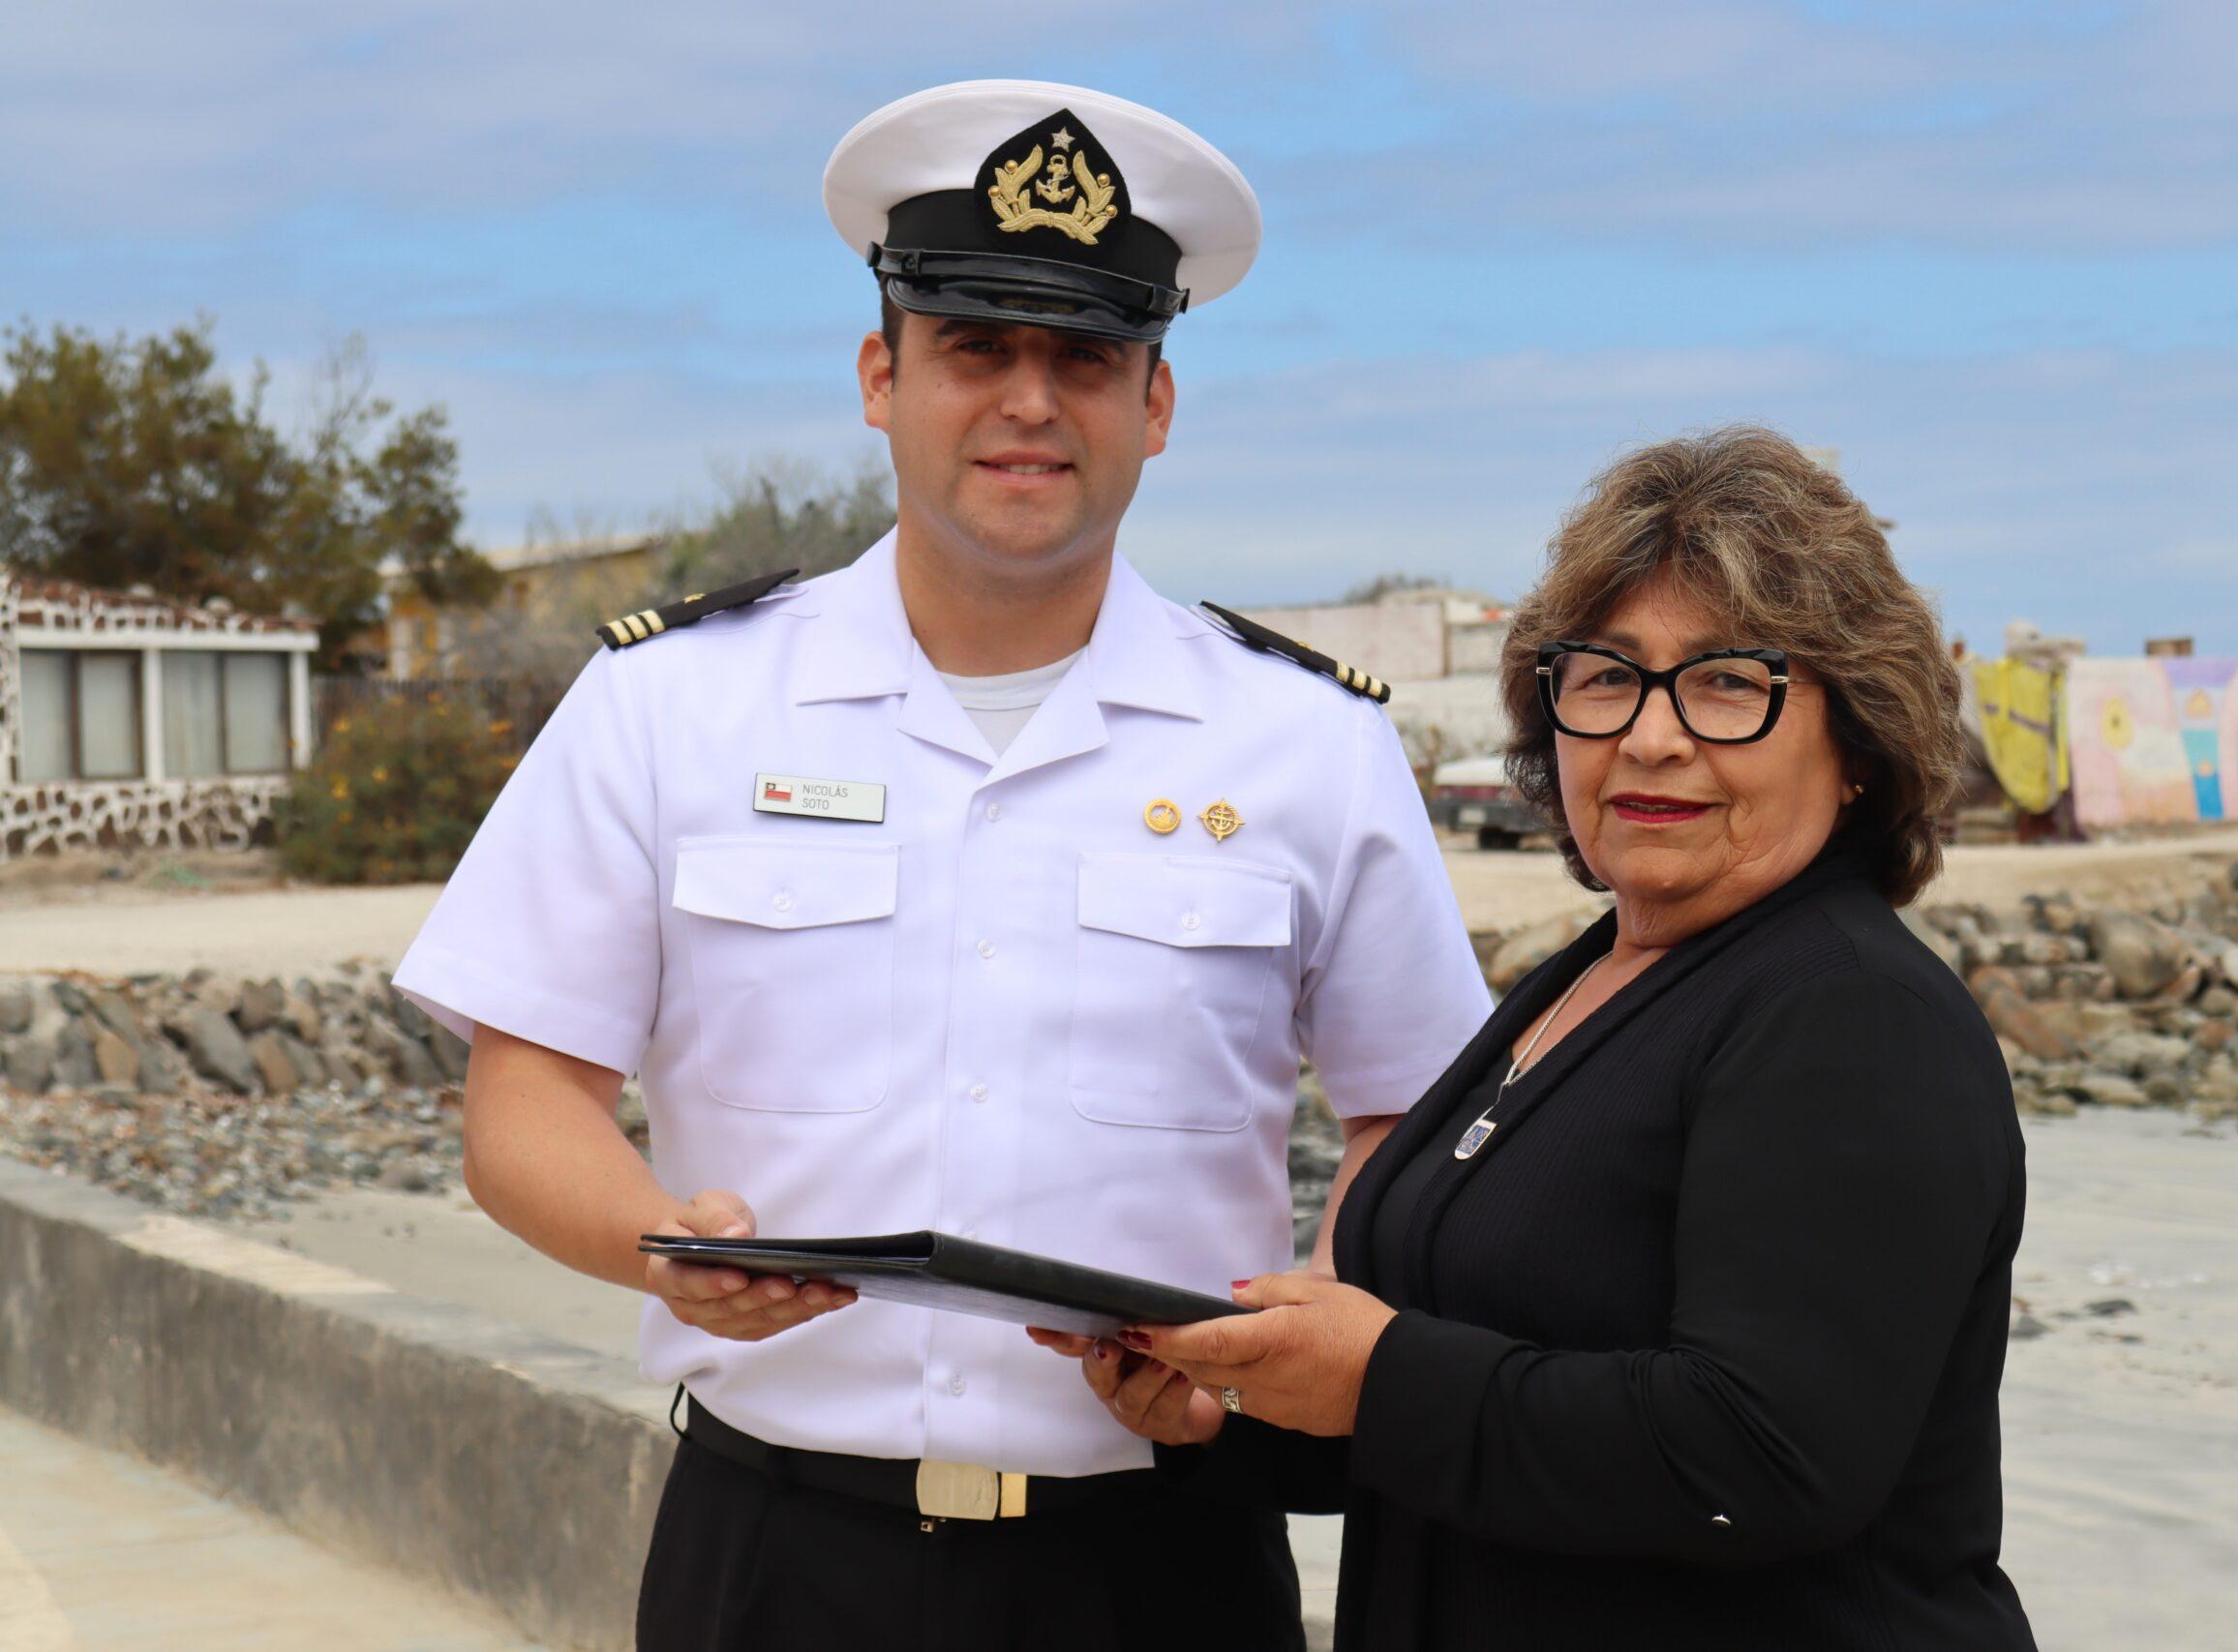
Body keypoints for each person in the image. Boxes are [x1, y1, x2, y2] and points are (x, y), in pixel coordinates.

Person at [391, 78, 1491, 1652]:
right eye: (976, 346)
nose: (1029, 401)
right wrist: (661, 1249)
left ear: (1157, 404)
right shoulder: (670, 704)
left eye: (1085, 358)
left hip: (1162, 1560)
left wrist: (1287, 1337)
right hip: (776, 1559)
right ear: (880, 377)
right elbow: (523, 1097)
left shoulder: (1308, 744)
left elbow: (1415, 1124)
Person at [1042, 427, 2041, 1649]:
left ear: (1859, 748)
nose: (1652, 736)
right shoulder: (1585, 982)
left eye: (1730, 683)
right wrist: (1226, 1412)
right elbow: (1467, 1408)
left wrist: (1377, 1376)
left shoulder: (1851, 1015)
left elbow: (1759, 1458)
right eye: (1607, 677)